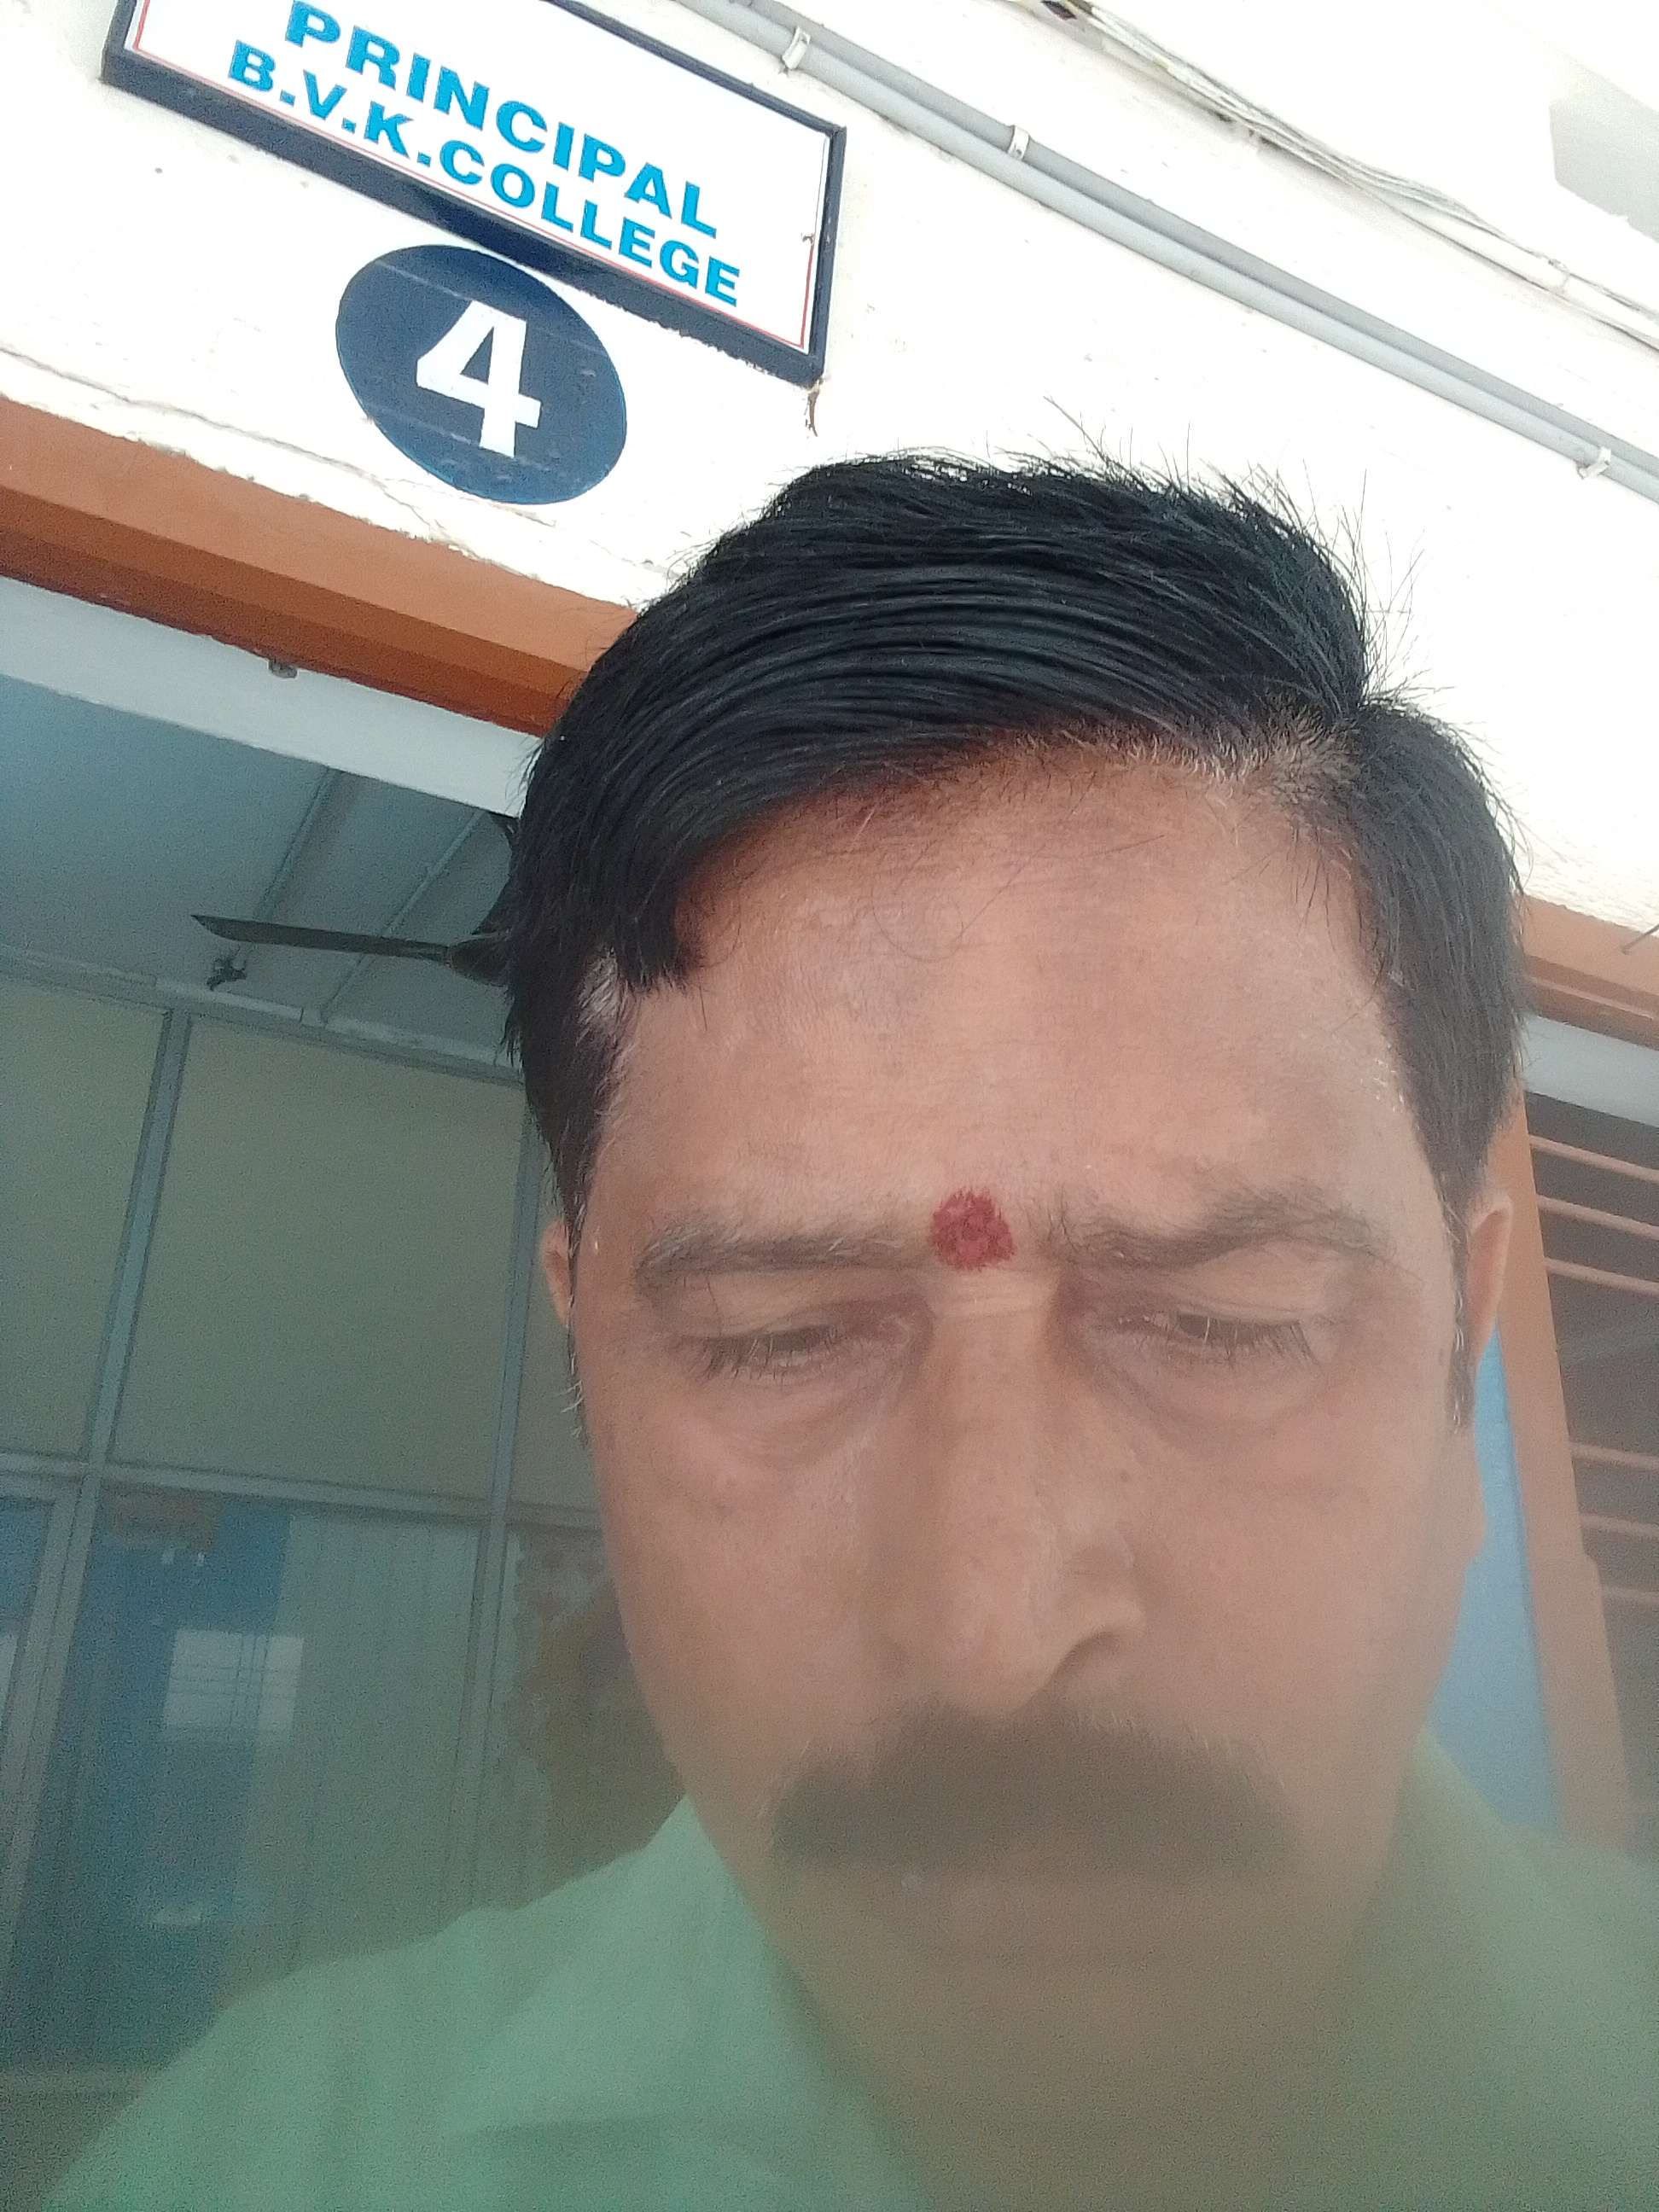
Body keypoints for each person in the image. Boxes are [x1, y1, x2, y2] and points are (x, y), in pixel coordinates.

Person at [52, 457, 1659, 2210]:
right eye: (777, 1339)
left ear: (1462, 1341)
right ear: (587, 1360)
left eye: (1219, 1323)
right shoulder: (263, 2164)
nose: (990, 1632)